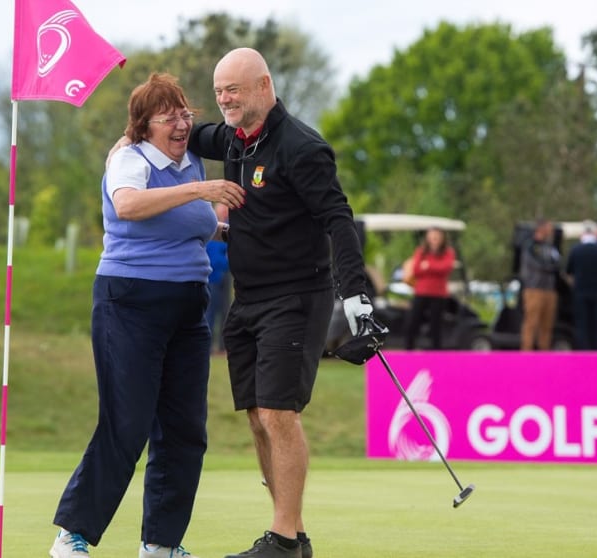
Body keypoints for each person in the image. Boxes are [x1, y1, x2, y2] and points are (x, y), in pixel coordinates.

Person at [49, 73, 245, 558]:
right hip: (129, 301)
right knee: (127, 423)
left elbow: (199, 224)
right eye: (169, 117)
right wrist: (201, 190)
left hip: (188, 306)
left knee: (184, 430)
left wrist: (238, 223)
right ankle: (71, 535)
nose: (181, 124)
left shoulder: (192, 161)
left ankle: (161, 543)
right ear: (143, 124)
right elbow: (129, 205)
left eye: (185, 114)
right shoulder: (129, 159)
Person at [189, 48, 373, 558]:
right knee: (255, 414)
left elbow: (339, 220)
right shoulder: (231, 137)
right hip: (247, 300)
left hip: (296, 297)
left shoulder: (302, 147)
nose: (224, 99)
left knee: (278, 413)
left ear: (264, 86)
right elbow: (187, 131)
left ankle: (285, 540)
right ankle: (289, 532)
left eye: (234, 89)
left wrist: (355, 294)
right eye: (219, 90)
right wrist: (144, 126)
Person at [403, 227, 456, 350]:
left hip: (438, 294)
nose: (434, 238)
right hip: (421, 293)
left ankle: (435, 353)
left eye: (437, 236)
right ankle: (408, 350)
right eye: (432, 236)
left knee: (436, 326)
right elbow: (416, 270)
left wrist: (428, 266)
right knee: (413, 322)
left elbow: (446, 268)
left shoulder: (448, 252)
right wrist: (433, 268)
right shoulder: (421, 251)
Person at [565, 222, 597, 350]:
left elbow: (569, 271)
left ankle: (583, 352)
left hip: (580, 294)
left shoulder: (575, 250)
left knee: (582, 326)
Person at [519, 219, 560, 350]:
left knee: (547, 324)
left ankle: (544, 351)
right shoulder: (531, 246)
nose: (550, 231)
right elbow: (537, 264)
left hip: (549, 289)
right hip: (534, 288)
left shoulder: (550, 247)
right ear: (541, 228)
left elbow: (557, 263)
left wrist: (551, 267)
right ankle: (527, 351)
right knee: (531, 322)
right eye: (548, 228)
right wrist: (549, 267)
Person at [205, 238, 231, 353]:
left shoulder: (226, 229)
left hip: (224, 278)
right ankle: (208, 346)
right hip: (213, 279)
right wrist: (227, 262)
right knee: (211, 312)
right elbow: (215, 260)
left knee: (225, 312)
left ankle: (222, 345)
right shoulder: (211, 232)